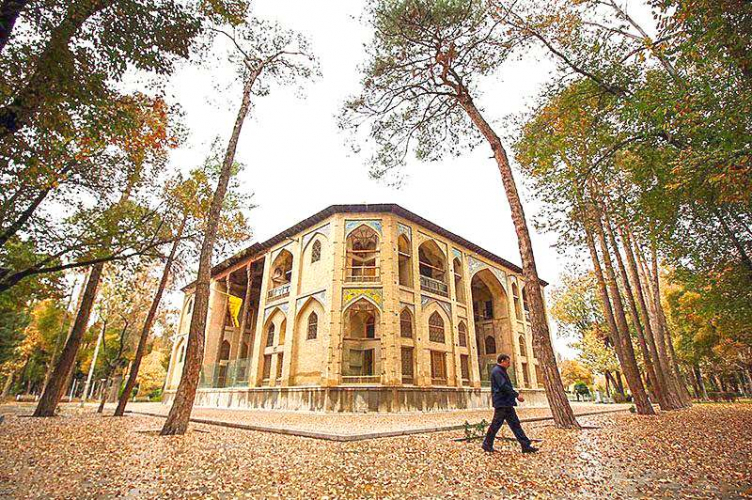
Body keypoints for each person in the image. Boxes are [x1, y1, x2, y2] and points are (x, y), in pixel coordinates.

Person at [482, 353, 538, 454]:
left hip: (506, 403)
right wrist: (516, 395)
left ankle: (525, 445)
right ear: (502, 361)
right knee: (496, 424)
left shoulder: (500, 371)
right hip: (502, 403)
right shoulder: (497, 371)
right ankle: (487, 444)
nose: (509, 364)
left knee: (515, 424)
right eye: (508, 362)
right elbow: (503, 386)